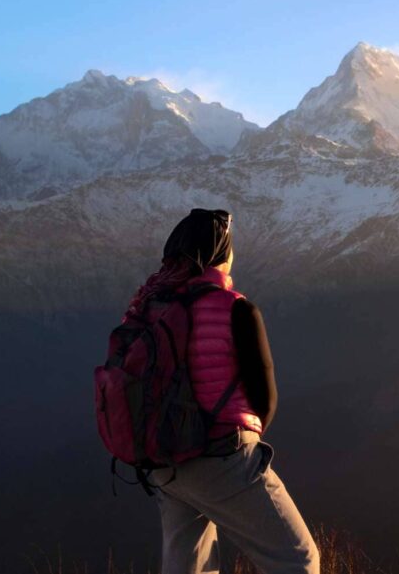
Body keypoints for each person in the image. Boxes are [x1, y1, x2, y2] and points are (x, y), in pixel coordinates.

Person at [124, 208, 319, 574]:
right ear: (220, 253)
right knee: (298, 561)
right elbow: (266, 399)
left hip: (162, 463)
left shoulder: (148, 306)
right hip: (222, 457)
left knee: (189, 568)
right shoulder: (236, 309)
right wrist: (241, 444)